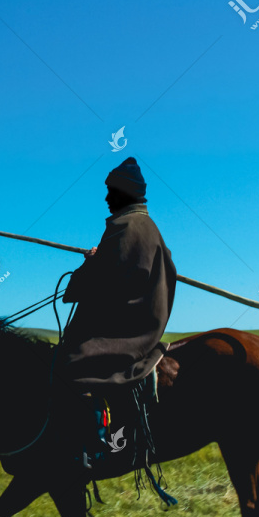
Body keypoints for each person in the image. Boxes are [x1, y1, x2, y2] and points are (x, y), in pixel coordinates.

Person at [60, 157, 177, 395]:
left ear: (124, 193)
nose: (106, 199)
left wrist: (92, 263)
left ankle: (97, 431)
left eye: (111, 192)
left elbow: (100, 287)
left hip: (126, 337)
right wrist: (101, 258)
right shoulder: (146, 226)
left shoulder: (125, 226)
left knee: (65, 369)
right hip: (145, 329)